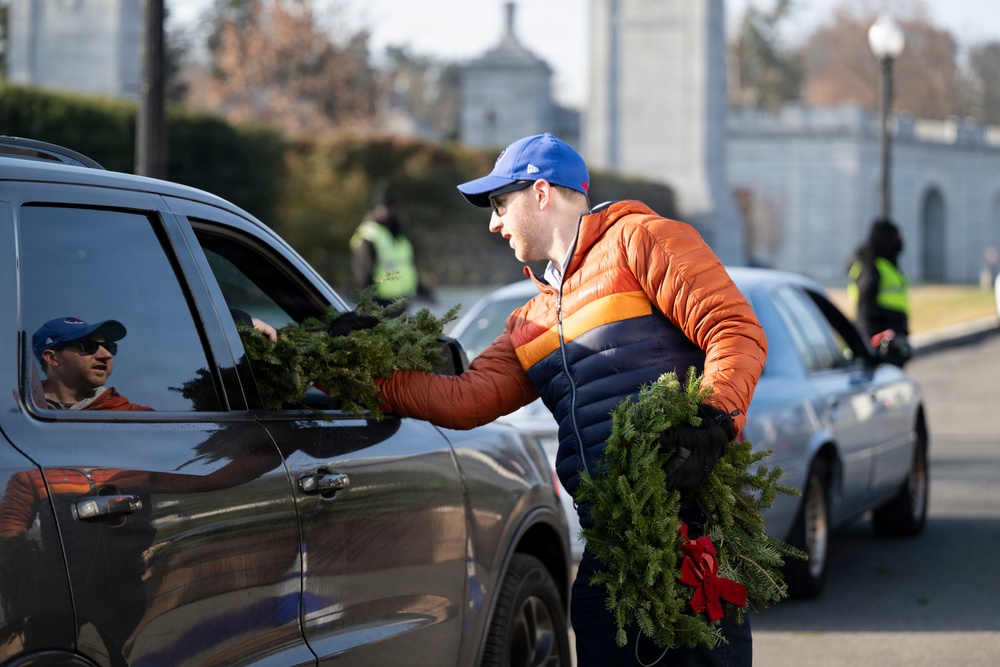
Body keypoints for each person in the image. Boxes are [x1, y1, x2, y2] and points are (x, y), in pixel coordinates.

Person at [372, 133, 768, 666]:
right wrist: (365, 372)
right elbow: (463, 399)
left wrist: (714, 419)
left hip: (687, 531)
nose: (493, 223)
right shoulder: (531, 318)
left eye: (498, 204)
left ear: (540, 193)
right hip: (609, 545)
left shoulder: (640, 239)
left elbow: (734, 328)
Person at [31, 316, 152, 411]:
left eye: (109, 346)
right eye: (89, 346)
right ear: (52, 358)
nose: (107, 355)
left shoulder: (135, 417)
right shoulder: (18, 413)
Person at [350, 185, 434, 308]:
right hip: (379, 304)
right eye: (384, 206)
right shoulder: (369, 233)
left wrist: (422, 290)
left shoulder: (401, 234)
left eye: (391, 206)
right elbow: (362, 274)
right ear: (376, 207)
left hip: (402, 301)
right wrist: (368, 303)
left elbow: (409, 266)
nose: (388, 210)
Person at [847, 218, 910, 366]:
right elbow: (865, 310)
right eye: (896, 236)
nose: (900, 241)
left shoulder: (886, 264)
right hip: (881, 343)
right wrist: (871, 345)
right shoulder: (871, 268)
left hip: (893, 338)